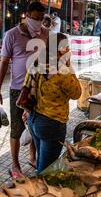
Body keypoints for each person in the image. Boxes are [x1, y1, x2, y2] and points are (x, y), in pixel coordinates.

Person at [0, 1, 50, 178]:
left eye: (41, 19)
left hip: (39, 88)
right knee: (17, 128)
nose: (38, 22)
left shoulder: (46, 34)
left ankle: (33, 156)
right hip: (19, 89)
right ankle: (15, 164)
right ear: (26, 15)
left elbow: (52, 61)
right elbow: (3, 64)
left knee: (36, 126)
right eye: (35, 18)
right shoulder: (12, 35)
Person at [26, 33, 81, 173]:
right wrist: (70, 67)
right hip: (52, 123)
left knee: (41, 161)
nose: (69, 50)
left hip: (34, 120)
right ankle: (39, 191)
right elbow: (77, 93)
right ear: (61, 49)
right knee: (47, 169)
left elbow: (26, 87)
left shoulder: (36, 62)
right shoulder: (62, 70)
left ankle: (37, 183)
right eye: (67, 47)